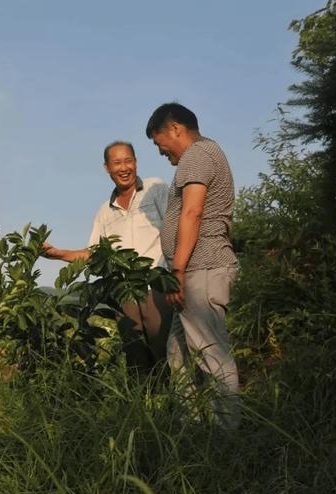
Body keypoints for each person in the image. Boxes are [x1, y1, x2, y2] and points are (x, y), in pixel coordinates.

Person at [145, 102, 240, 427]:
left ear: (175, 129)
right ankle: (193, 429)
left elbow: (192, 213)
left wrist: (177, 271)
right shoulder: (202, 155)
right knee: (179, 353)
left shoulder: (197, 155)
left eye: (160, 143)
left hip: (200, 269)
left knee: (211, 354)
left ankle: (228, 436)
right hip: (194, 269)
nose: (161, 152)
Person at [44, 141, 172, 370]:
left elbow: (175, 229)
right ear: (107, 168)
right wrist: (58, 254)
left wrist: (179, 276)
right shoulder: (104, 212)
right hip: (125, 295)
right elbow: (94, 254)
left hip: (158, 287)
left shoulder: (156, 189)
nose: (124, 168)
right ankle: (146, 405)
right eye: (117, 163)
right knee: (137, 360)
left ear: (136, 162)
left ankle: (178, 403)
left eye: (128, 161)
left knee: (167, 353)